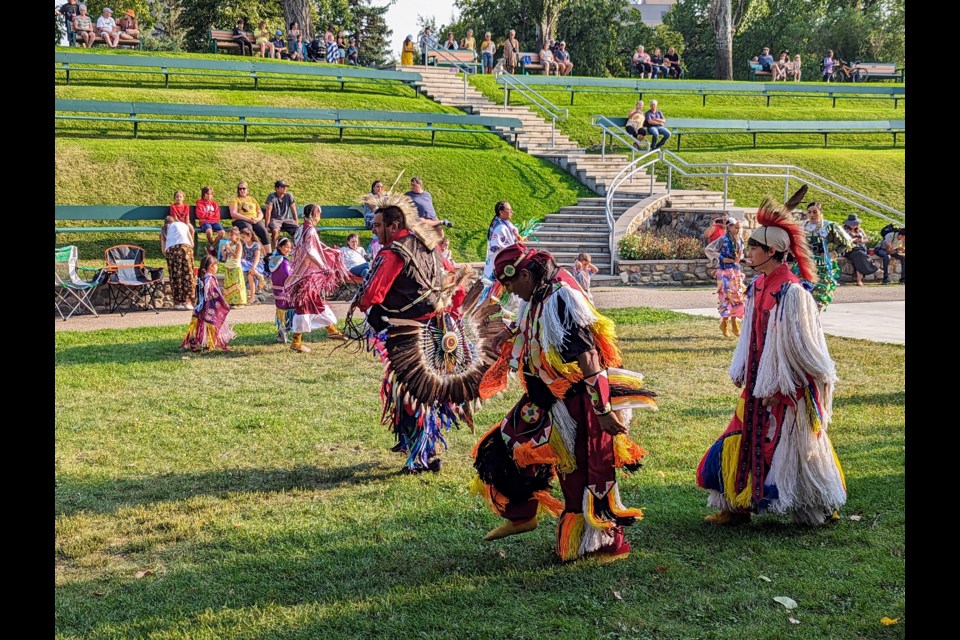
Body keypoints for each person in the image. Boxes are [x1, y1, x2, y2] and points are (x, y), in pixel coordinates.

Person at [472, 243, 657, 561]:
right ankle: (522, 514)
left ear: (526, 275)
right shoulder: (537, 295)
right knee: (499, 449)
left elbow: (588, 358)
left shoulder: (560, 299)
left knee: (583, 473)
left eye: (512, 284)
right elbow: (530, 336)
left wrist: (602, 410)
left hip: (578, 404)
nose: (512, 293)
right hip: (546, 398)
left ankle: (599, 541)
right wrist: (503, 332)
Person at [696, 186, 847, 527]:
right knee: (738, 436)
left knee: (795, 446)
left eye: (754, 246)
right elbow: (750, 334)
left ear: (774, 251)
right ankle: (736, 506)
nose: (747, 250)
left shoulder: (792, 292)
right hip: (757, 384)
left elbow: (804, 348)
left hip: (786, 388)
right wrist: (743, 368)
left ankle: (816, 506)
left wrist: (782, 387)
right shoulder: (759, 285)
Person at [348, 194, 486, 474]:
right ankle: (412, 444)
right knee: (420, 391)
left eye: (377, 225)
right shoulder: (427, 245)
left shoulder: (393, 252)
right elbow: (452, 278)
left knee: (414, 394)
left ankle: (422, 456)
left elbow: (373, 294)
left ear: (393, 224)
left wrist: (360, 299)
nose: (373, 230)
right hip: (437, 328)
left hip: (407, 332)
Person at [286, 204, 348, 351]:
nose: (320, 216)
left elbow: (314, 247)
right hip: (306, 274)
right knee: (304, 306)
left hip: (301, 273)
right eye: (319, 213)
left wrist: (331, 251)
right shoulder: (311, 230)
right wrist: (324, 267)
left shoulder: (301, 229)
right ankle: (296, 341)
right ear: (314, 214)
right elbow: (311, 251)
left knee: (314, 302)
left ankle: (331, 330)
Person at [795, 202, 853, 311]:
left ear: (821, 213)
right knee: (802, 296)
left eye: (815, 212)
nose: (811, 214)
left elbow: (846, 242)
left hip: (822, 266)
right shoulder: (801, 226)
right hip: (804, 265)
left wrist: (834, 253)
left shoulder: (829, 226)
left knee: (819, 297)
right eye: (809, 212)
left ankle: (816, 320)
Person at [181, 255, 235, 352]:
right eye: (216, 265)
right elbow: (214, 294)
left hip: (200, 307)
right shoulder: (210, 279)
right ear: (210, 266)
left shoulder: (202, 278)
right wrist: (223, 303)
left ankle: (199, 342)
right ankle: (207, 343)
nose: (217, 267)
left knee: (201, 324)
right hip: (208, 307)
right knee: (208, 324)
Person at [703, 218, 746, 337]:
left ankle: (734, 322)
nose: (738, 230)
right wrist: (721, 258)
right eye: (736, 227)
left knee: (737, 297)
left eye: (740, 228)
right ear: (729, 227)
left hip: (735, 272)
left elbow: (741, 254)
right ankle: (725, 323)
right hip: (724, 272)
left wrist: (741, 259)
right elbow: (709, 249)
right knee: (726, 297)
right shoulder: (723, 239)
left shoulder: (740, 241)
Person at [160, 215, 196, 310]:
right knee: (188, 275)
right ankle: (188, 302)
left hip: (172, 251)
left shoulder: (164, 229)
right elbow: (192, 244)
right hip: (186, 249)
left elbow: (163, 249)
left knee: (175, 276)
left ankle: (178, 302)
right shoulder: (183, 225)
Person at [229, 181, 271, 258]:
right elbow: (233, 213)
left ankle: (268, 255)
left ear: (247, 190)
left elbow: (260, 212)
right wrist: (248, 219)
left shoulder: (252, 200)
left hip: (254, 220)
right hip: (241, 220)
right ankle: (251, 253)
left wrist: (257, 219)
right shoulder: (235, 199)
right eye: (240, 189)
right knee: (248, 231)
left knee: (263, 230)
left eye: (244, 188)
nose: (242, 190)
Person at [482, 201, 521, 285]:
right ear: (501, 212)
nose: (512, 212)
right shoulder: (500, 228)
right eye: (509, 210)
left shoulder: (505, 224)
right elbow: (502, 248)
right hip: (500, 267)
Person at [268, 238, 295, 343]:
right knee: (289, 311)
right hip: (285, 290)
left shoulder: (274, 258)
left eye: (290, 247)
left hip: (278, 290)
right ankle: (285, 332)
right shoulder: (283, 261)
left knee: (281, 310)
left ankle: (281, 333)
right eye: (286, 247)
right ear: (279, 247)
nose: (288, 249)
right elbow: (288, 275)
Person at [841, 214, 879, 286]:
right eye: (852, 224)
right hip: (850, 250)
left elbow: (867, 239)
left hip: (860, 249)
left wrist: (861, 241)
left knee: (860, 257)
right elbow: (844, 241)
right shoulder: (844, 230)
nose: (853, 226)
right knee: (860, 255)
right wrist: (854, 240)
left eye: (855, 224)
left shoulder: (860, 230)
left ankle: (859, 280)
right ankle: (874, 268)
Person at [265, 180, 299, 250]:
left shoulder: (289, 196)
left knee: (298, 230)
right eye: (282, 187)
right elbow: (268, 212)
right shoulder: (271, 197)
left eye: (285, 187)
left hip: (286, 219)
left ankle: (296, 249)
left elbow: (294, 211)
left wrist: (296, 223)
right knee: (275, 231)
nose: (285, 188)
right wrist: (267, 226)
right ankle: (275, 250)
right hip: (275, 219)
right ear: (277, 188)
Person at [220, 227, 247, 307]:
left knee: (236, 285)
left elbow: (236, 256)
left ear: (237, 236)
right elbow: (226, 257)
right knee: (229, 285)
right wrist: (223, 250)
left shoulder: (238, 245)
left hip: (235, 267)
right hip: (228, 266)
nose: (230, 237)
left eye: (231, 235)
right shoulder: (230, 244)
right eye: (229, 235)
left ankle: (239, 302)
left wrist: (229, 249)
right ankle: (230, 300)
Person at [239, 227, 266, 303]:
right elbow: (243, 256)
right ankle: (258, 275)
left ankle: (252, 296)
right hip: (247, 263)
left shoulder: (256, 245)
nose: (242, 239)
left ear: (250, 236)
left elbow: (257, 257)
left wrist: (253, 267)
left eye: (244, 237)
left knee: (251, 275)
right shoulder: (244, 245)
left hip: (257, 264)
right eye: (241, 237)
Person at [195, 186, 224, 255]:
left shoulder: (214, 204)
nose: (209, 196)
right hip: (204, 222)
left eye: (211, 194)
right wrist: (211, 215)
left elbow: (217, 216)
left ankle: (211, 248)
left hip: (214, 222)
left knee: (222, 232)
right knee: (209, 231)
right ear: (203, 194)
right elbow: (200, 215)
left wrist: (207, 215)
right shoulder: (199, 203)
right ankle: (213, 249)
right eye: (207, 194)